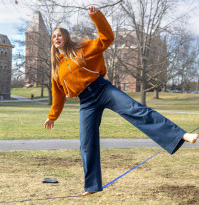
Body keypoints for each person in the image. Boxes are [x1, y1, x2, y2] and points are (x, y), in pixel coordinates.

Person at [43, 6, 198, 196]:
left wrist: (96, 16)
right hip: (86, 102)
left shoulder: (82, 48)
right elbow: (58, 95)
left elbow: (106, 38)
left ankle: (180, 135)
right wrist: (52, 116)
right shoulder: (56, 69)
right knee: (86, 142)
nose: (56, 38)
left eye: (59, 34)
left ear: (66, 37)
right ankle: (91, 186)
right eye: (53, 36)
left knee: (136, 110)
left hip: (102, 89)